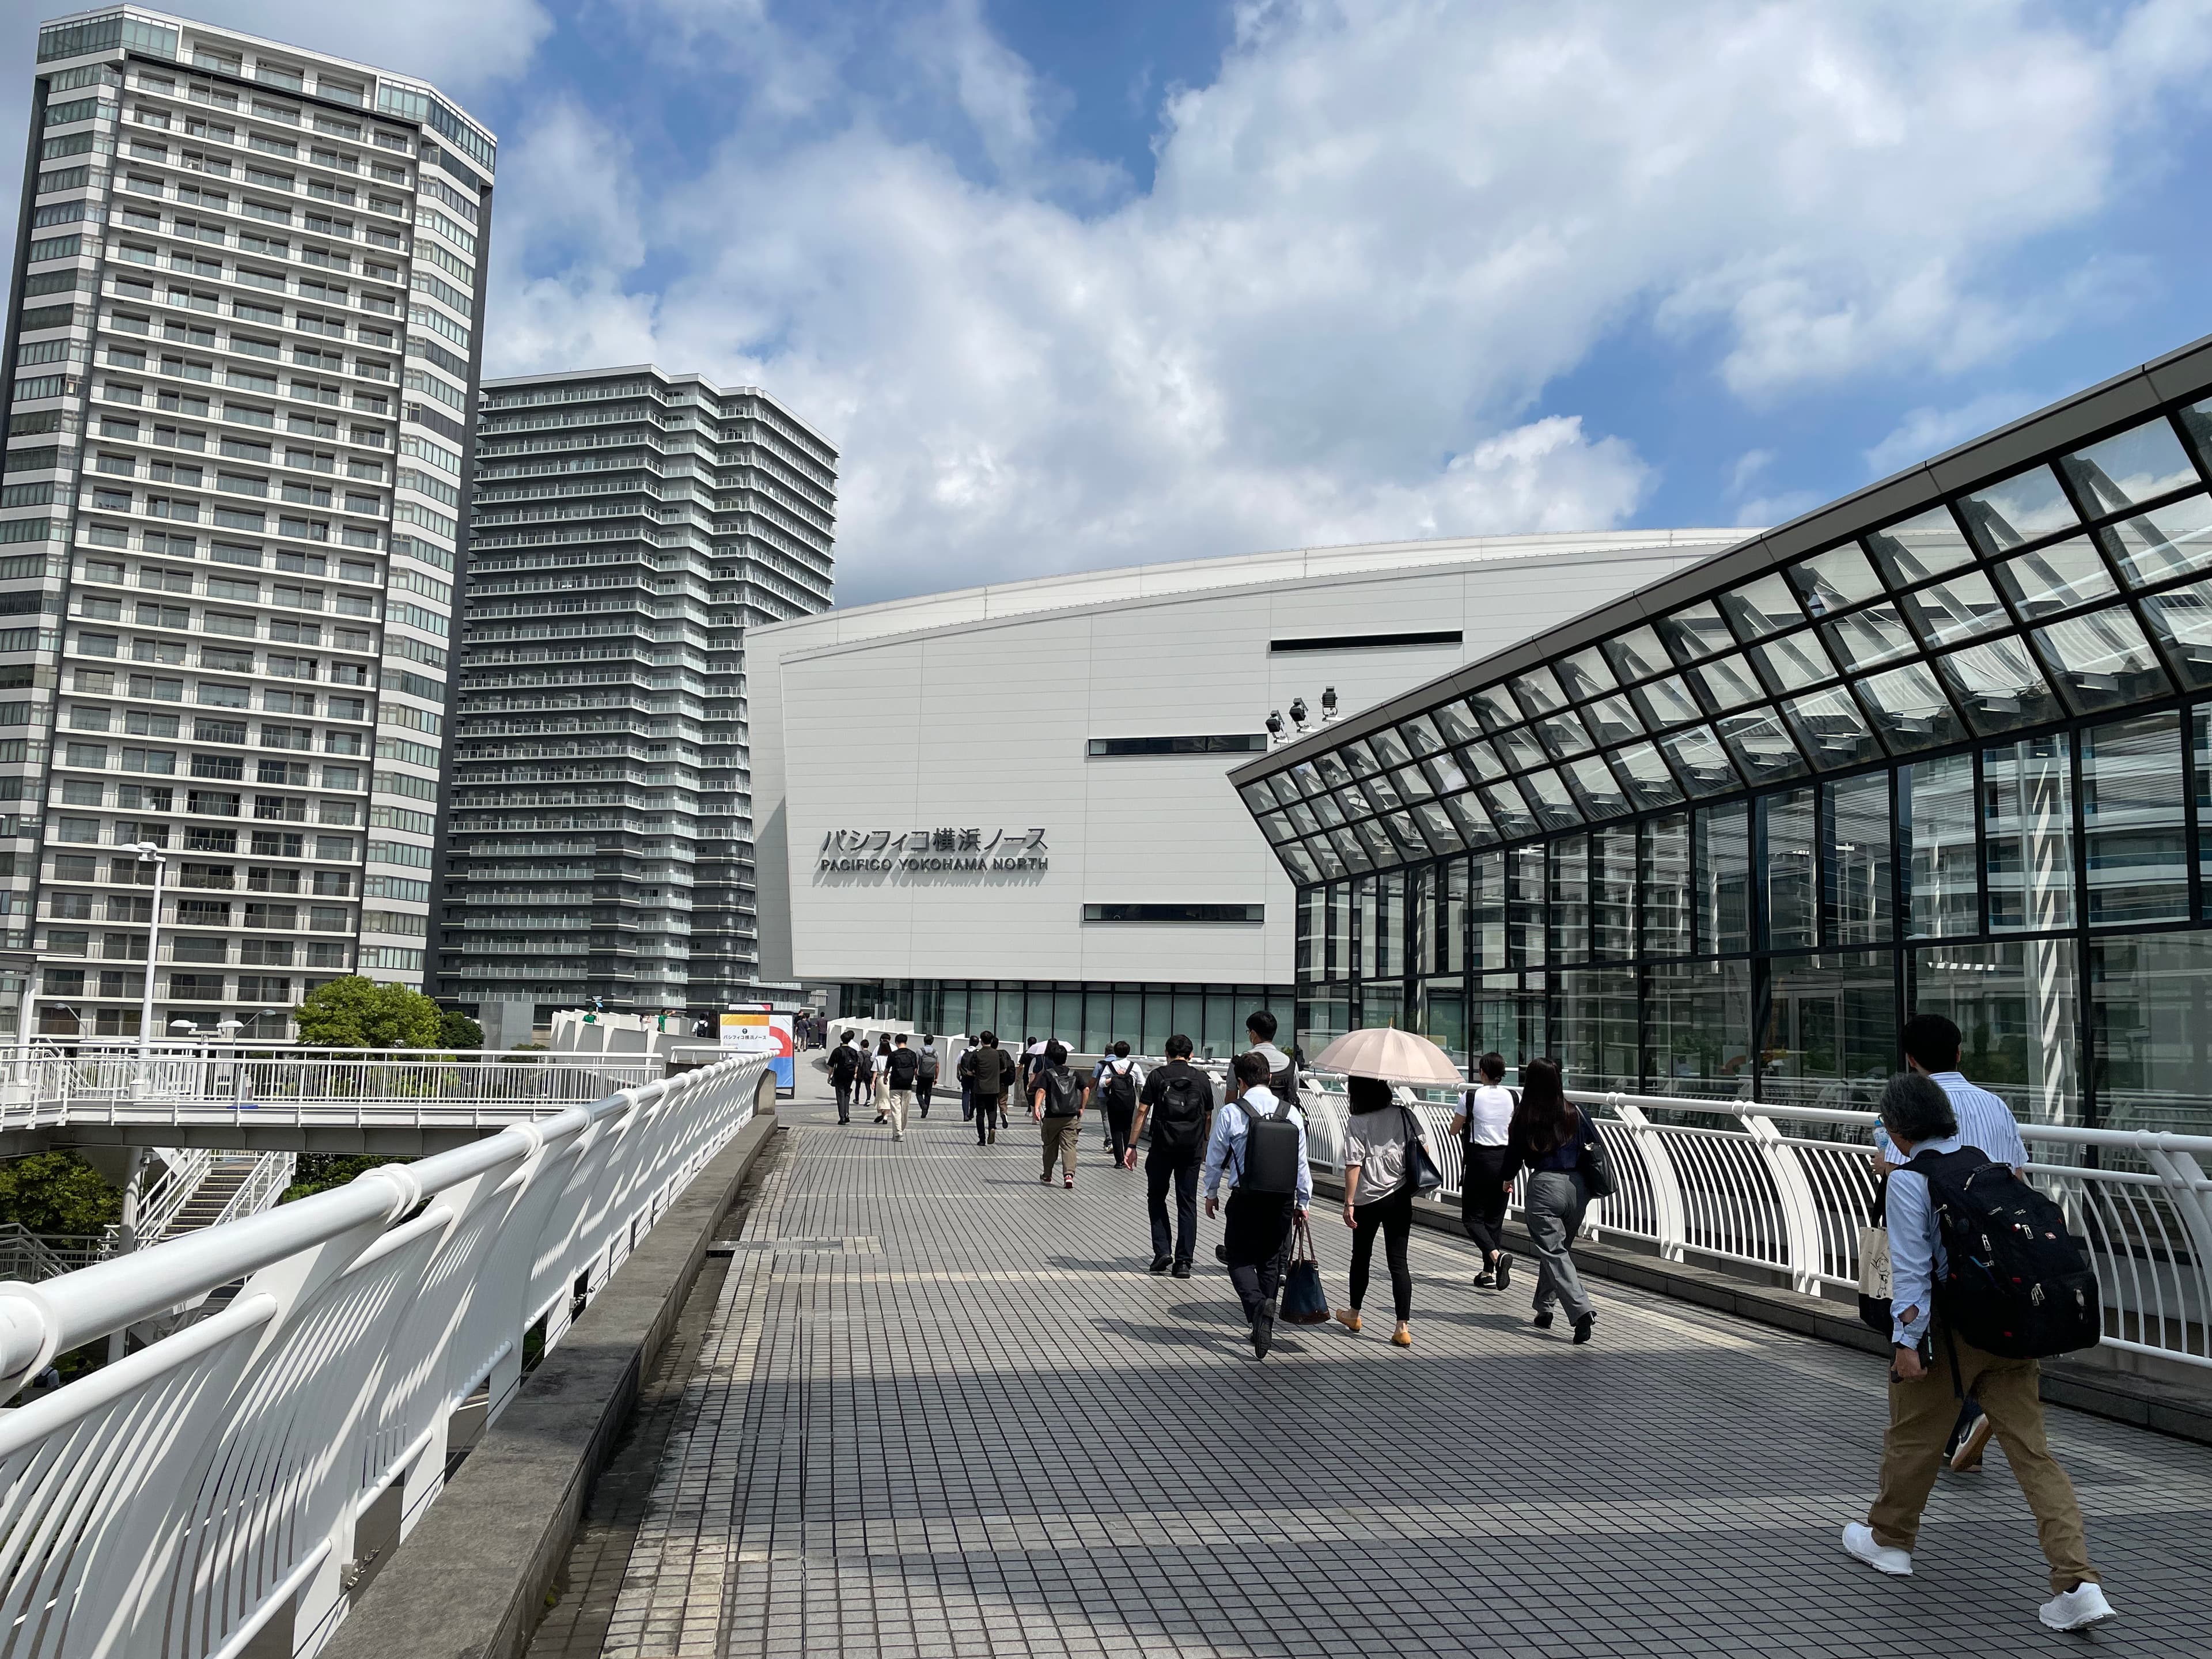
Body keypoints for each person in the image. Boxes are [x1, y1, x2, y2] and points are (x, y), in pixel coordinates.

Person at [1841, 1074, 2112, 1633]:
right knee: (2034, 1456)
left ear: (1897, 1128)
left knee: (1913, 1437)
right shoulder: (1983, 1164)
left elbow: (1912, 1274)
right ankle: (2078, 1584)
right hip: (2012, 1328)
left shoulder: (1910, 1181)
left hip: (1951, 1335)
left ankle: (1890, 1540)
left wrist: (1907, 1345)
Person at [1887, 1012, 2031, 1475]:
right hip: (2003, 1258)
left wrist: (1905, 1338)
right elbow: (2018, 1176)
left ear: (1911, 1059)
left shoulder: (1912, 1107)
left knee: (1936, 1364)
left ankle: (1962, 1423)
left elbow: (1901, 1175)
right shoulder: (1995, 1105)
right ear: (1959, 1052)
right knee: (2033, 1449)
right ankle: (1972, 1425)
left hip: (1946, 1262)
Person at [1203, 1050, 1312, 1359]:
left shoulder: (1232, 1112)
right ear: (1270, 1078)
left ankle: (1257, 1307)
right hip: (1281, 1200)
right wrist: (1303, 1201)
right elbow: (1301, 1163)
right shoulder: (1291, 1113)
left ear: (1241, 1082)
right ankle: (1262, 1324)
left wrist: (1211, 1193)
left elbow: (1215, 1158)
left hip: (1246, 1198)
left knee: (1238, 1259)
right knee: (1269, 1261)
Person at [1498, 1057, 1599, 1344]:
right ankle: (1545, 1308)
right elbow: (1592, 1145)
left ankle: (1581, 1311)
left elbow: (1513, 1155)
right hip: (1577, 1188)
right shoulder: (1575, 1112)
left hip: (1545, 1186)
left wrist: (1507, 1179)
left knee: (1553, 1251)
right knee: (1558, 1250)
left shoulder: (1525, 1115)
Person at [1333, 1074, 1428, 1347]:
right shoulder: (1403, 1114)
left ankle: (1354, 1314)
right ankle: (1402, 1328)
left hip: (1367, 1200)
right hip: (1400, 1196)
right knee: (1398, 1262)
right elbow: (1424, 1147)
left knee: (1361, 1256)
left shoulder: (1358, 1121)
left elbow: (1354, 1165)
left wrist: (1348, 1202)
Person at [1128, 1033, 1213, 1275]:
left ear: (1167, 1053)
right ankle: (1184, 1262)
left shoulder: (1157, 1076)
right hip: (1191, 1149)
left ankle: (1162, 1251)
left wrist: (1132, 1146)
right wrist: (1204, 1145)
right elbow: (1208, 1116)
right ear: (1191, 1055)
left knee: (1156, 1197)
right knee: (1187, 1203)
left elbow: (1142, 1112)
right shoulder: (1202, 1078)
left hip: (1161, 1147)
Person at [1449, 1051, 1516, 1290]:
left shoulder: (1471, 1096)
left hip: (1479, 1162)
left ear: (1482, 1072)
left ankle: (1497, 1258)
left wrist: (1468, 1122)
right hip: (1506, 1161)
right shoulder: (1513, 1097)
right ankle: (1488, 1273)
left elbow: (1454, 1129)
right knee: (1494, 1220)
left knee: (1472, 1219)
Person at [1031, 1040, 1086, 1187]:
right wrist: (1082, 1107)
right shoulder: (1074, 1074)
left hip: (1052, 1116)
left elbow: (1041, 1091)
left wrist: (1036, 1108)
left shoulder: (1048, 1074)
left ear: (1052, 1058)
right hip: (1070, 1116)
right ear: (1066, 1058)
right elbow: (1086, 1089)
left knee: (1049, 1146)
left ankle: (1047, 1175)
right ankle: (1068, 1175)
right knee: (1069, 1146)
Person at [959, 1031, 1016, 1147]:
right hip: (994, 1088)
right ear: (992, 1040)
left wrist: (975, 1074)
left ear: (981, 1041)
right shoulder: (998, 1054)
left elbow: (970, 1071)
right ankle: (992, 1128)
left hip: (979, 1088)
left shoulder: (977, 1054)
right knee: (992, 1110)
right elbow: (1004, 1069)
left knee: (980, 1114)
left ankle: (982, 1139)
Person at [1096, 1041, 1141, 1167]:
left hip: (1114, 1101)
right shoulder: (1134, 1066)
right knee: (1127, 1129)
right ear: (1128, 1052)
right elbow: (1141, 1083)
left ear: (1115, 1052)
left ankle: (1119, 1161)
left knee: (1115, 1130)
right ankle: (1127, 1158)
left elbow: (1101, 1083)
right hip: (1129, 1102)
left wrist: (1113, 1079)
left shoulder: (1110, 1066)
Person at [1241, 1009, 1297, 1104]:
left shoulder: (1240, 1061)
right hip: (1283, 1112)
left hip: (1248, 1112)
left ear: (1253, 1034)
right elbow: (1294, 1090)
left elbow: (1230, 1098)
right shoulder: (1291, 1064)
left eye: (1249, 1032)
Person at [885, 1033, 921, 1140]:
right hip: (907, 1085)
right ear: (906, 1042)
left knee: (896, 1110)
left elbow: (887, 1069)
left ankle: (898, 1133)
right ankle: (901, 1130)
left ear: (896, 1042)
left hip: (895, 1085)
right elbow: (915, 1069)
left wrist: (885, 1078)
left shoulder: (893, 1055)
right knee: (905, 1110)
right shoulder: (912, 1054)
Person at [827, 1031, 863, 1125]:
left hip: (839, 1075)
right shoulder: (853, 1051)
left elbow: (831, 1065)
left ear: (841, 1040)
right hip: (850, 1075)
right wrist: (855, 1073)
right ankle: (847, 1114)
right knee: (847, 1093)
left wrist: (829, 1076)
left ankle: (842, 1117)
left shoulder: (837, 1051)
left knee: (840, 1095)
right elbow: (857, 1064)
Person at [916, 1036, 940, 1118]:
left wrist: (915, 1074)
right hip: (931, 1076)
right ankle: (925, 1111)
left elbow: (917, 1064)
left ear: (924, 1041)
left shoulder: (920, 1051)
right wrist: (936, 1078)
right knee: (928, 1094)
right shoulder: (935, 1053)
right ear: (932, 1042)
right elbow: (937, 1066)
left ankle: (923, 1105)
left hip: (921, 1075)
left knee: (919, 1093)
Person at [872, 1035, 892, 1122]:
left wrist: (873, 1081)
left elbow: (875, 1071)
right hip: (889, 1078)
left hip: (880, 1078)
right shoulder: (891, 1057)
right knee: (888, 1097)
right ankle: (886, 1116)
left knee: (880, 1097)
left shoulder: (878, 1058)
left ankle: (882, 1113)